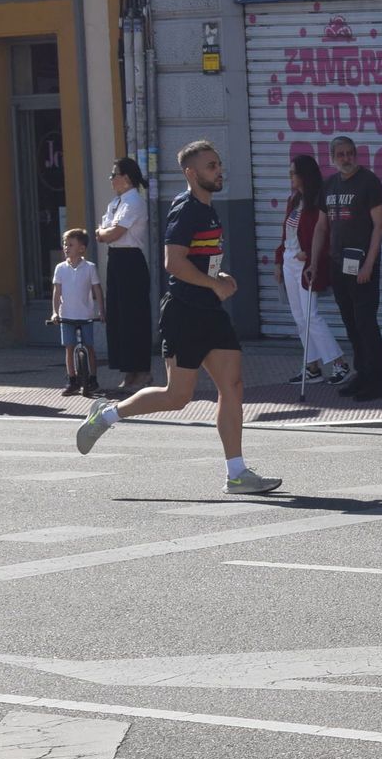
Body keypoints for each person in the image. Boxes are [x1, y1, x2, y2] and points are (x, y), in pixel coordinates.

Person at [75, 140, 281, 495]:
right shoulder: (186, 210)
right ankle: (107, 415)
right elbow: (174, 262)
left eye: (218, 164)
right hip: (184, 311)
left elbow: (201, 260)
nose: (219, 171)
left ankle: (237, 473)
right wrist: (212, 284)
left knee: (232, 386)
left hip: (211, 311)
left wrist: (219, 279)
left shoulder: (210, 209)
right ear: (191, 173)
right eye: (211, 166)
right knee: (177, 396)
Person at [313, 135, 382, 402]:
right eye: (341, 154)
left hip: (362, 264)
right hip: (337, 263)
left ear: (356, 154)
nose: (346, 158)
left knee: (366, 323)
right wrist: (314, 261)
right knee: (351, 323)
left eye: (350, 153)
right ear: (332, 158)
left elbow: (379, 225)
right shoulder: (329, 185)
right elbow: (322, 226)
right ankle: (362, 374)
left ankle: (377, 382)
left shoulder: (368, 182)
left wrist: (369, 263)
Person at [276, 154, 349, 386]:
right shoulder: (293, 199)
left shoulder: (318, 200)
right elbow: (286, 234)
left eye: (293, 173)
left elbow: (325, 233)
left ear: (304, 175)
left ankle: (339, 363)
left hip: (306, 262)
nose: (290, 177)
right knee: (299, 318)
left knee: (311, 315)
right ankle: (312, 366)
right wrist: (279, 260)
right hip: (290, 260)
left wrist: (310, 254)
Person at [94, 157, 152, 392]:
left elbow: (113, 233)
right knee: (118, 316)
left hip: (131, 260)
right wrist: (104, 232)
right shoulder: (115, 203)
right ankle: (128, 370)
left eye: (114, 174)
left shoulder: (134, 201)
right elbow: (101, 232)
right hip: (115, 260)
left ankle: (143, 371)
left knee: (134, 316)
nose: (111, 178)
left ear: (126, 177)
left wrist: (104, 232)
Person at [51, 229, 104, 397]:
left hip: (85, 315)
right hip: (66, 315)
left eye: (71, 244)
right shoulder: (60, 268)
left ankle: (93, 378)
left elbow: (97, 289)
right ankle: (72, 379)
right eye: (65, 244)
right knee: (69, 348)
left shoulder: (89, 268)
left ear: (81, 248)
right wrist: (54, 312)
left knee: (89, 347)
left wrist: (101, 311)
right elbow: (56, 292)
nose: (66, 247)